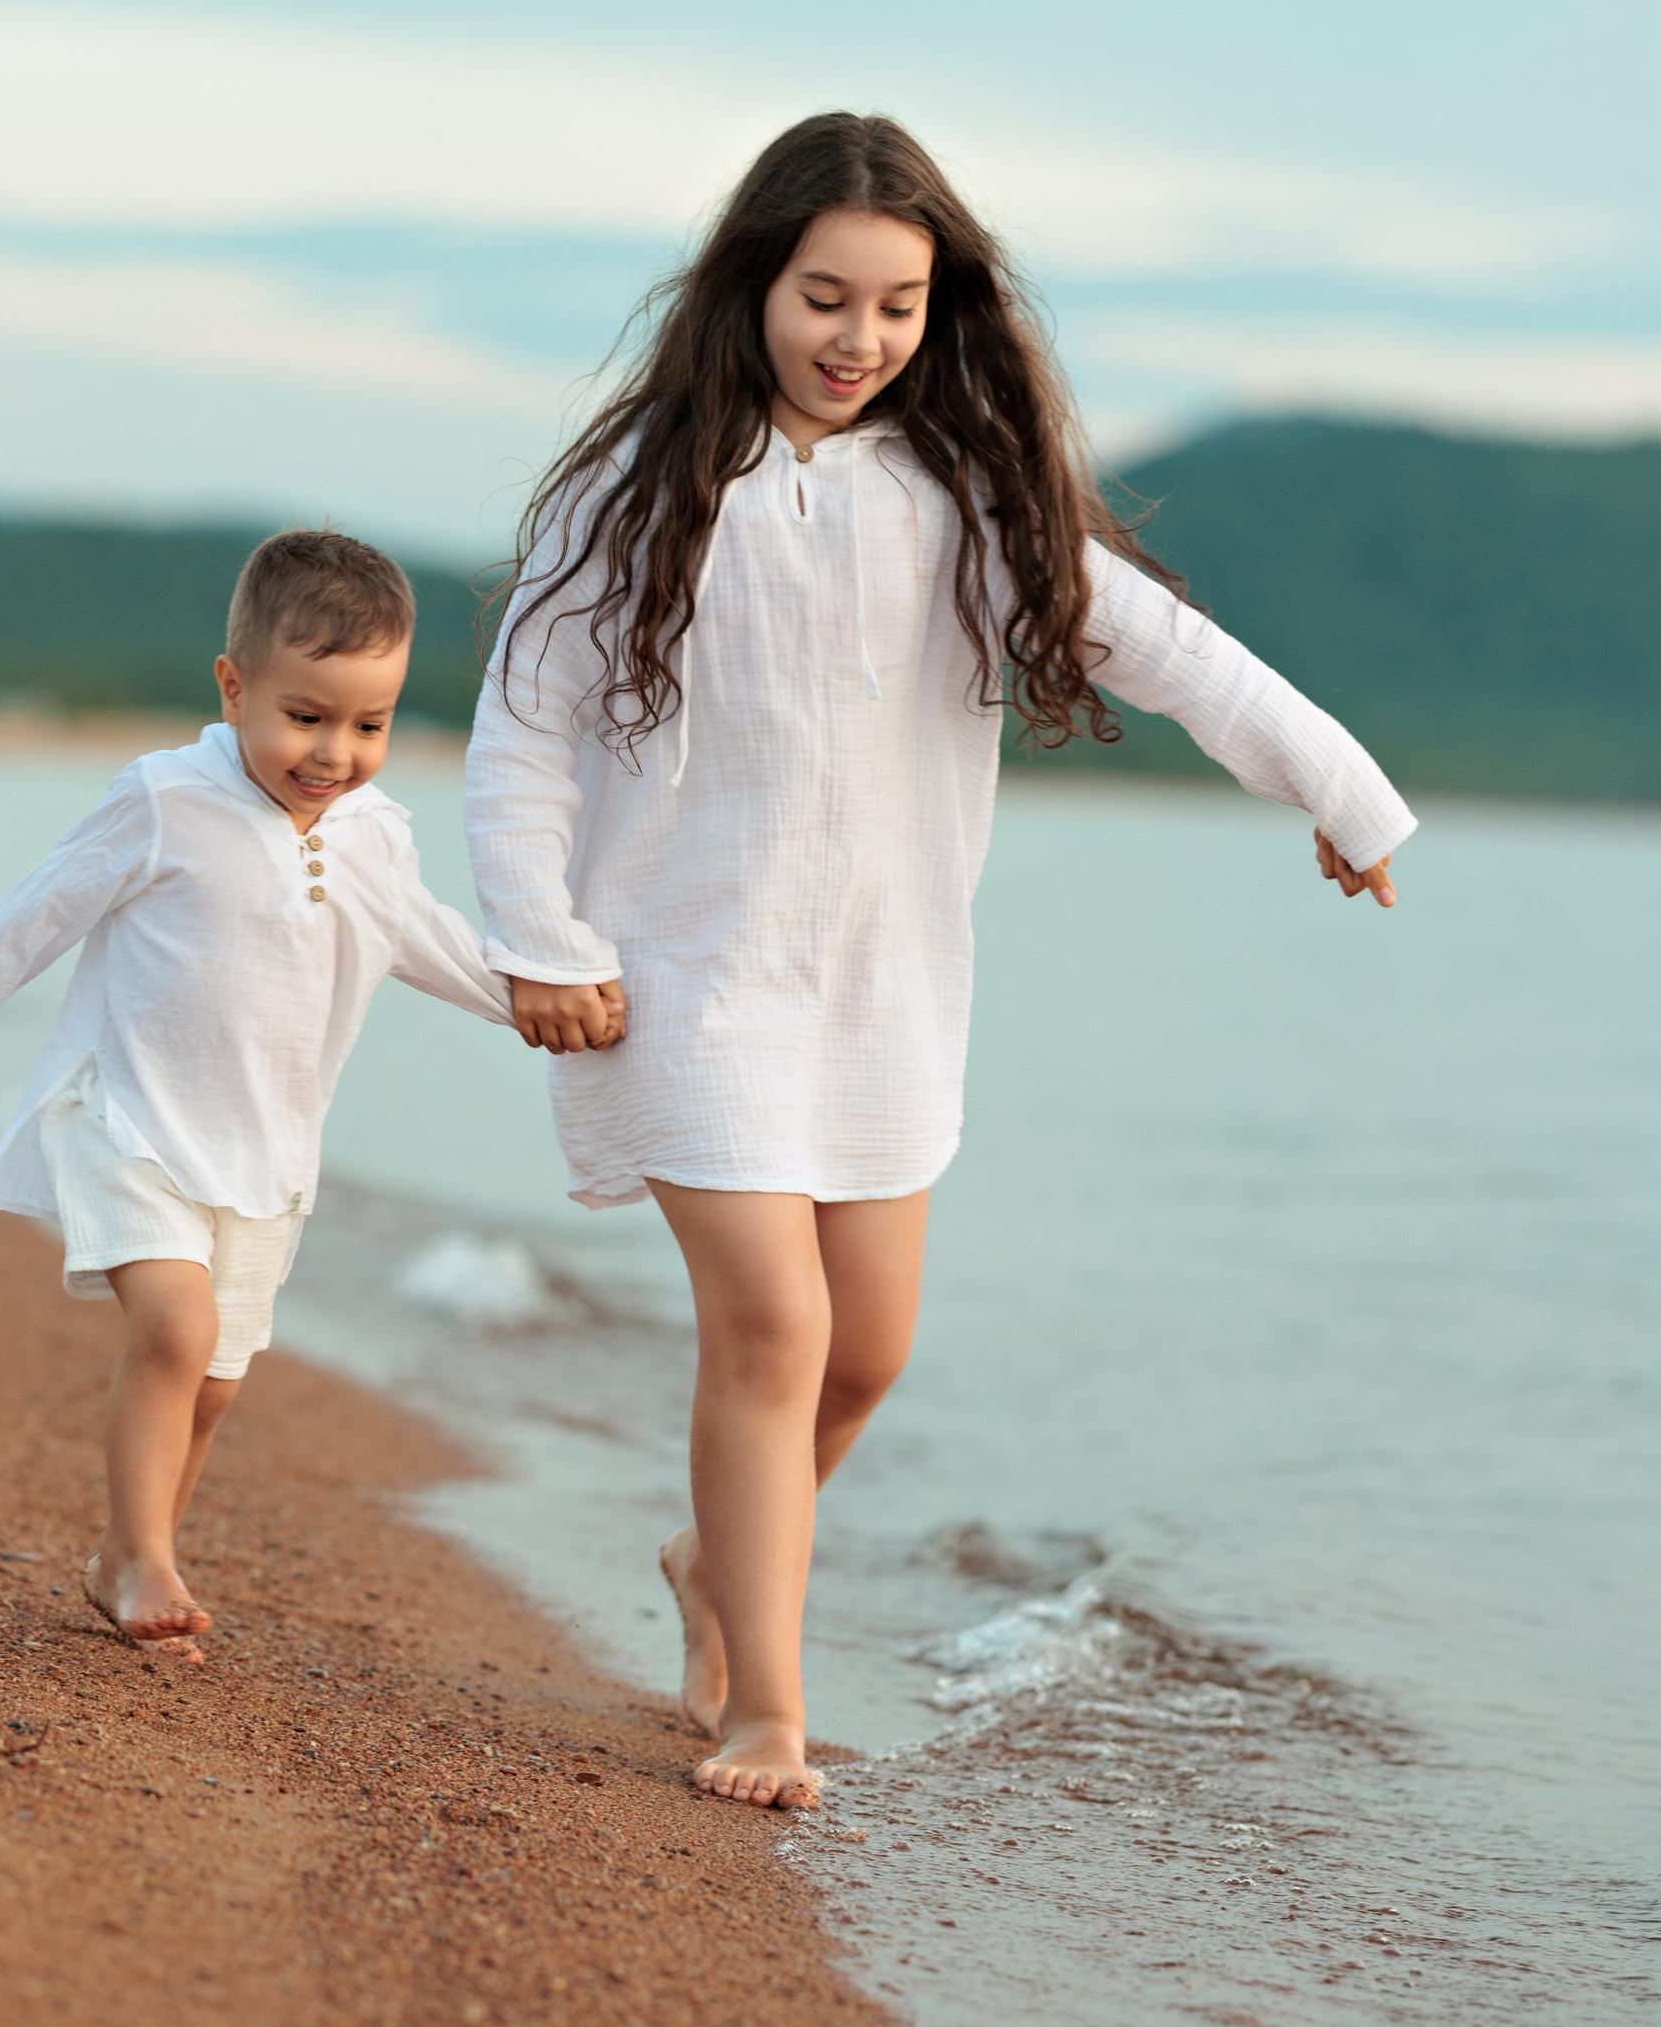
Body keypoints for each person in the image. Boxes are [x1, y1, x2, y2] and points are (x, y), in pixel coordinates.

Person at [462, 112, 1412, 1810]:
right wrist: (539, 937)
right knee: (769, 1326)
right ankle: (767, 1703)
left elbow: (1175, 654)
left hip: (881, 988)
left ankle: (712, 1563)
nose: (858, 339)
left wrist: (1339, 791)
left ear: (940, 311)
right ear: (753, 282)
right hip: (682, 975)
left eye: (897, 305)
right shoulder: (639, 486)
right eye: (826, 296)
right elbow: (523, 732)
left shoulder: (968, 496)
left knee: (867, 1353)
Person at [0, 530, 610, 1662]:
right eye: (305, 717)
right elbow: (55, 896)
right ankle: (143, 1560)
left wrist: (543, 1001)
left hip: (268, 1156)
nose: (335, 752)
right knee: (175, 1328)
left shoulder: (376, 835)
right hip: (130, 1118)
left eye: (369, 725)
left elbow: (434, 943)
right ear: (235, 688)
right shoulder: (168, 797)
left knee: (214, 1382)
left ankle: (136, 1550)